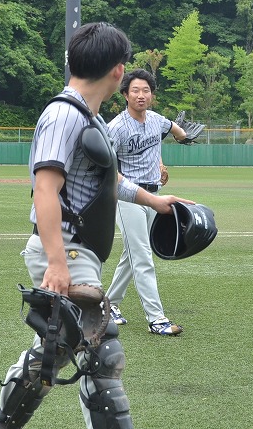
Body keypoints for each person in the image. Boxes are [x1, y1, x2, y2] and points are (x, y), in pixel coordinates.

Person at [0, 22, 194, 429]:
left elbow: (110, 180)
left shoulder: (89, 117)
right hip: (66, 249)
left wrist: (155, 201)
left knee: (57, 349)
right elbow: (45, 189)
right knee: (102, 352)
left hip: (80, 251)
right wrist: (57, 263)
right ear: (118, 71)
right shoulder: (63, 115)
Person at [106, 68, 194, 336]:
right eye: (135, 90)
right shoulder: (116, 127)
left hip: (153, 196)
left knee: (132, 253)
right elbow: (106, 167)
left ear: (152, 95)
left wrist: (182, 137)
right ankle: (156, 319)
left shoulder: (157, 120)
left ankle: (107, 305)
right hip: (127, 197)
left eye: (146, 90)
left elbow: (175, 129)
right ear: (125, 94)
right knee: (143, 256)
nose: (141, 95)